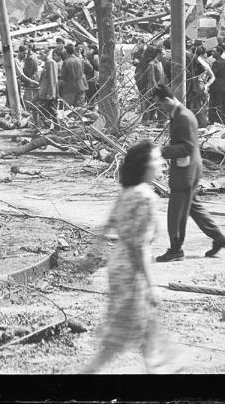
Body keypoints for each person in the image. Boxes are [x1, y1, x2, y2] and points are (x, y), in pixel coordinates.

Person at [82, 140, 174, 374]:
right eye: (156, 159)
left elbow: (107, 225)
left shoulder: (128, 192)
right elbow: (139, 245)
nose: (162, 163)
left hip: (118, 264)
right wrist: (151, 284)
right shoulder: (145, 197)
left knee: (145, 328)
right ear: (144, 165)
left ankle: (156, 370)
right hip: (132, 270)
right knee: (122, 334)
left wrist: (93, 252)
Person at [154, 89, 225, 262]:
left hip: (186, 171)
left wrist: (162, 151)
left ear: (167, 100)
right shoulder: (181, 114)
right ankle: (218, 238)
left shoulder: (183, 117)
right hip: (189, 168)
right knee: (193, 207)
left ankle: (176, 249)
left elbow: (187, 147)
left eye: (159, 104)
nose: (159, 108)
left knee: (176, 212)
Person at [208, 43, 225, 126]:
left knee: (216, 104)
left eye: (214, 51)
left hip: (217, 88)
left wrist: (207, 83)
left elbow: (213, 75)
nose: (212, 53)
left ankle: (217, 120)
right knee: (224, 103)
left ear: (219, 52)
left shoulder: (216, 63)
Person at [34, 44, 60, 128]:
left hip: (47, 93)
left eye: (41, 54)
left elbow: (52, 79)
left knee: (47, 110)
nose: (39, 56)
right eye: (39, 54)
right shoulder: (47, 63)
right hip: (44, 91)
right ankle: (52, 127)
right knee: (48, 110)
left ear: (46, 54)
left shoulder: (50, 63)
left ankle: (54, 127)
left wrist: (51, 94)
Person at [137, 46, 164, 122]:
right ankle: (146, 120)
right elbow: (151, 78)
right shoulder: (150, 63)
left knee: (153, 104)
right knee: (149, 104)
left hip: (150, 86)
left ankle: (153, 119)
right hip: (150, 87)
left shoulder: (158, 63)